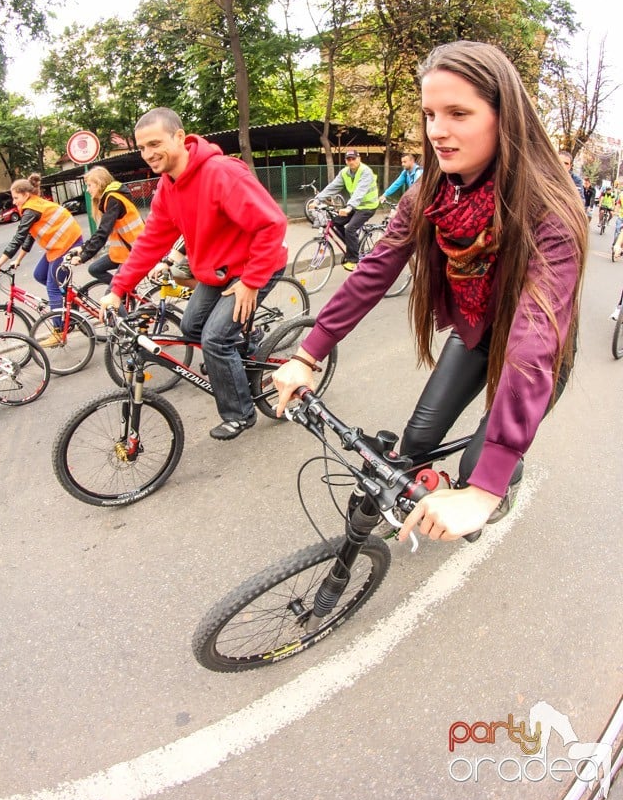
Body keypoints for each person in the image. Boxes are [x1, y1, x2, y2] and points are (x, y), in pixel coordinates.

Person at [273, 40, 586, 542]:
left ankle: (488, 486)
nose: (437, 130)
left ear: (504, 117)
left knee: (480, 465)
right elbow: (373, 271)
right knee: (415, 442)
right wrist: (308, 354)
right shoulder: (427, 195)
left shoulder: (549, 210)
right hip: (476, 334)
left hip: (533, 351)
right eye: (430, 114)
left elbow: (534, 342)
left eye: (458, 113)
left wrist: (484, 490)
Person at [99, 107, 288, 440]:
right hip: (216, 272)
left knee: (215, 339)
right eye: (142, 148)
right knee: (192, 326)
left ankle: (241, 414)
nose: (148, 154)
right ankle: (249, 345)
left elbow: (272, 224)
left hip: (255, 266)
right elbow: (150, 241)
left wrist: (251, 281)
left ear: (178, 137)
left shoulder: (220, 172)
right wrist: (117, 289)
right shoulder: (168, 187)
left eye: (154, 143)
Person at [0, 179, 83, 346]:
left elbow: (18, 238)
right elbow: (31, 236)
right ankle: (68, 303)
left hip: (68, 243)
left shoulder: (31, 208)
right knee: (39, 274)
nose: (14, 201)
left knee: (52, 287)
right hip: (58, 246)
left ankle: (59, 331)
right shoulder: (33, 205)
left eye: (16, 197)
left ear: (26, 195)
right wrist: (18, 259)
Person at [67, 167, 145, 287]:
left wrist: (83, 257)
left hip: (133, 252)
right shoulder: (109, 199)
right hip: (121, 252)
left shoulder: (113, 199)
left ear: (99, 183)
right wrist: (83, 248)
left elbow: (103, 233)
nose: (87, 190)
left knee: (112, 299)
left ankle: (121, 294)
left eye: (89, 185)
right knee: (95, 269)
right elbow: (101, 232)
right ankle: (126, 293)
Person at [310, 149, 379, 271]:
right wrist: (317, 200)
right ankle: (352, 245)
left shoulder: (366, 171)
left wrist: (348, 207)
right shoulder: (345, 173)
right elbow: (332, 187)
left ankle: (352, 260)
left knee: (350, 229)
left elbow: (360, 192)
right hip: (355, 206)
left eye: (353, 159)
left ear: (359, 159)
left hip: (368, 206)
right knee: (335, 223)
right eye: (348, 159)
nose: (351, 162)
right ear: (345, 161)